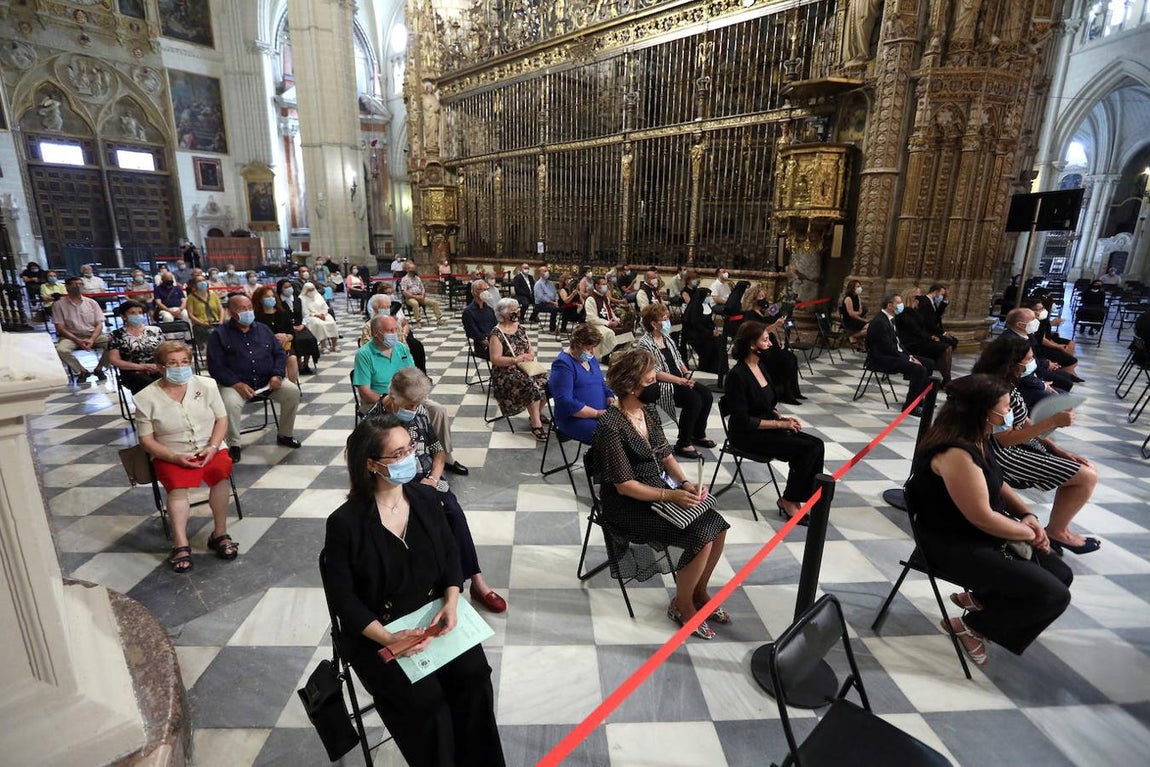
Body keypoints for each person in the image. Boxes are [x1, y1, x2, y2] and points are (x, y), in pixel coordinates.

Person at [323, 415, 505, 767]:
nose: (411, 456)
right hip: (381, 631)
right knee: (427, 703)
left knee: (474, 679)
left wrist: (452, 602)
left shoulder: (424, 498)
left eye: (411, 447)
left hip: (435, 615)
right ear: (371, 464)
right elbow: (343, 600)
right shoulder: (345, 523)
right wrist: (389, 638)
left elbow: (452, 556)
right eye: (399, 453)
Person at [904, 374, 1073, 667]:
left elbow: (997, 483)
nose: (1010, 413)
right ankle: (972, 627)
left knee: (1062, 573)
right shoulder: (956, 452)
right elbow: (982, 517)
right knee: (1053, 594)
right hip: (952, 543)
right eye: (1006, 407)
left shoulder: (977, 438)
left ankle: (984, 599)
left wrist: (1027, 515)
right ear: (985, 412)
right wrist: (1027, 533)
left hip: (975, 532)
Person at [594, 349, 730, 640]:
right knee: (701, 536)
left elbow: (666, 454)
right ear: (632, 386)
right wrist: (670, 496)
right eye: (651, 380)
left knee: (718, 527)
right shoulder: (610, 425)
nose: (657, 385)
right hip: (627, 506)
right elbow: (624, 485)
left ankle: (698, 591)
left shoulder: (647, 411)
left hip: (657, 491)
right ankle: (681, 605)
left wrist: (685, 483)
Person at [380, 369, 506, 612]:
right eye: (410, 404)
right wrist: (419, 491)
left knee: (454, 512)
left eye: (418, 403)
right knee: (435, 518)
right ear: (393, 397)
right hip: (399, 485)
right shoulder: (377, 423)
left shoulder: (420, 413)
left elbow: (438, 451)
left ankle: (477, 581)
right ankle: (448, 588)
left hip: (428, 479)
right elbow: (379, 471)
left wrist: (433, 479)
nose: (415, 408)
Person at [972, 336, 1100, 555]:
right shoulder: (995, 389)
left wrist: (1057, 449)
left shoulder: (1008, 383)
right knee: (1086, 476)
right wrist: (1053, 422)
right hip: (1002, 454)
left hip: (1018, 444)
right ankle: (1058, 531)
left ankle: (1060, 527)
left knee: (1087, 469)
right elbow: (1005, 438)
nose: (1033, 363)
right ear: (1012, 363)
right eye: (1029, 359)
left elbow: (1023, 422)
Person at [135, 340, 238, 574]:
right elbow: (146, 440)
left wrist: (213, 447)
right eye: (172, 363)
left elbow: (222, 420)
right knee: (177, 488)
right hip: (171, 452)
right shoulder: (145, 398)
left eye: (184, 362)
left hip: (209, 447)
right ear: (160, 367)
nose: (180, 367)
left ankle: (219, 533)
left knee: (219, 476)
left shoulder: (207, 385)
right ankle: (181, 543)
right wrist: (173, 457)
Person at [726, 322, 826, 523]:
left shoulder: (761, 366)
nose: (770, 343)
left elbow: (765, 403)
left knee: (817, 445)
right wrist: (781, 425)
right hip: (746, 435)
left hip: (766, 427)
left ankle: (798, 497)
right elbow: (744, 421)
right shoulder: (737, 376)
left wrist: (781, 417)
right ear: (752, 345)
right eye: (765, 340)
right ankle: (789, 500)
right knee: (805, 449)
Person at [354, 315, 469, 476]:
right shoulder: (364, 354)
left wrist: (412, 399)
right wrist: (388, 401)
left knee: (438, 410)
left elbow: (413, 375)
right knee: (408, 416)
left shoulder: (401, 348)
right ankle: (405, 459)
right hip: (380, 399)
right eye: (389, 331)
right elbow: (365, 392)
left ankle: (445, 455)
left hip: (406, 395)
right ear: (376, 333)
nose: (394, 333)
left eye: (395, 329)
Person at [207, 294, 302, 463]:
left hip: (267, 381)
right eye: (243, 309)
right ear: (231, 312)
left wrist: (277, 374)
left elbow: (279, 354)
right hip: (236, 384)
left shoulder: (263, 329)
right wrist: (236, 383)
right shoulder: (219, 335)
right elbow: (216, 366)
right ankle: (234, 444)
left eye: (250, 307)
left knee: (293, 392)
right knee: (229, 403)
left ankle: (285, 434)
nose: (249, 312)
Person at [635, 304, 715, 459]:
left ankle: (697, 434)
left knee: (706, 394)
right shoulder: (645, 343)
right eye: (664, 319)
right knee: (694, 400)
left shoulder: (667, 338)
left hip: (678, 379)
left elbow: (678, 359)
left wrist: (686, 374)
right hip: (661, 383)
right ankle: (683, 443)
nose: (668, 322)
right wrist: (679, 381)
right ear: (653, 324)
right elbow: (655, 372)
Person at [488, 298, 549, 440]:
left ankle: (536, 412)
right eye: (512, 311)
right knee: (530, 385)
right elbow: (495, 359)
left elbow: (530, 347)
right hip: (506, 371)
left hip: (525, 366)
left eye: (517, 309)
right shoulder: (496, 333)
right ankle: (536, 423)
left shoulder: (520, 327)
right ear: (503, 313)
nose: (516, 313)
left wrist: (530, 354)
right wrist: (515, 360)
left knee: (549, 382)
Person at [865, 293, 934, 415]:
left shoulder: (891, 319)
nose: (901, 305)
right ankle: (910, 407)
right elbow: (887, 348)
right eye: (898, 302)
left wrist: (910, 356)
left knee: (929, 363)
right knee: (920, 370)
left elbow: (898, 344)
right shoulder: (880, 321)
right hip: (882, 358)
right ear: (890, 305)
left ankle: (918, 399)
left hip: (893, 354)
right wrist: (908, 359)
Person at [550, 324, 614, 444]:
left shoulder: (589, 358)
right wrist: (596, 413)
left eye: (593, 348)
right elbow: (565, 402)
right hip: (574, 418)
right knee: (611, 437)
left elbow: (601, 383)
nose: (593, 352)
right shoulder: (563, 364)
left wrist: (609, 397)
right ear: (576, 346)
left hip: (600, 413)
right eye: (589, 349)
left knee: (629, 429)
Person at [742, 287, 803, 403]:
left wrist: (779, 339)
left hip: (770, 343)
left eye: (764, 296)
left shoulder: (763, 312)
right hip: (760, 346)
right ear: (753, 299)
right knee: (785, 360)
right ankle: (786, 394)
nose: (764, 299)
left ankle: (794, 391)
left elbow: (769, 328)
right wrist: (775, 325)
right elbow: (760, 331)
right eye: (761, 297)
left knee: (792, 357)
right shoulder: (749, 314)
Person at [1004, 307, 1076, 392]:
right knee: (1064, 386)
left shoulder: (1028, 334)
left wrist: (1046, 363)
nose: (1036, 320)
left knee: (1067, 378)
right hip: (1023, 383)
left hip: (1036, 372)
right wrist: (1043, 385)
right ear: (1019, 325)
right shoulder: (1011, 342)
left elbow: (1036, 355)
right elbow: (1020, 372)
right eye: (1032, 319)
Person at [52, 276, 109, 381]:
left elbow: (99, 324)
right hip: (71, 336)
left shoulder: (92, 303)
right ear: (67, 287)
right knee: (61, 350)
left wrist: (92, 339)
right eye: (75, 284)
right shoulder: (58, 305)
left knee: (115, 344)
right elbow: (60, 328)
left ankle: (100, 368)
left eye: (80, 284)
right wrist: (77, 340)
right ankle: (81, 371)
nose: (78, 286)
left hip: (93, 335)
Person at [897, 286, 954, 383]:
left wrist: (930, 336)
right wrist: (929, 337)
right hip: (911, 343)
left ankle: (946, 380)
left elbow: (922, 328)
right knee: (945, 348)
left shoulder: (914, 310)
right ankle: (947, 381)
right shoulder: (905, 312)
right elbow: (914, 329)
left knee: (947, 347)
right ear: (912, 297)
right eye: (918, 296)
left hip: (919, 340)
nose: (920, 299)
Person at [107, 300, 164, 393]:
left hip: (157, 367)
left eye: (140, 312)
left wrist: (159, 366)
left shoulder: (155, 330)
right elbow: (115, 360)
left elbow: (166, 351)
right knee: (147, 384)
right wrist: (143, 367)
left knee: (169, 379)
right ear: (123, 316)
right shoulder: (116, 335)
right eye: (133, 313)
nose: (137, 315)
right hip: (132, 370)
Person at [252, 285, 301, 384]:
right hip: (265, 348)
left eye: (272, 296)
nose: (271, 299)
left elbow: (292, 333)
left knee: (292, 358)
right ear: (260, 300)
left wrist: (287, 337)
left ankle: (292, 386)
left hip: (285, 346)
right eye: (267, 297)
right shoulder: (256, 316)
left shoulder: (283, 313)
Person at [680, 285, 726, 382]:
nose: (709, 297)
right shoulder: (695, 307)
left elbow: (709, 321)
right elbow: (695, 324)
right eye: (708, 295)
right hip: (695, 335)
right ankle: (706, 367)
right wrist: (710, 333)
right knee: (710, 344)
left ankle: (719, 367)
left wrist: (714, 330)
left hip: (705, 332)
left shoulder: (706, 305)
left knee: (720, 340)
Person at [276, 278, 321, 373]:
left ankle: (306, 364)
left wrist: (302, 325)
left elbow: (306, 314)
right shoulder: (278, 301)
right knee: (297, 341)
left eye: (290, 286)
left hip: (300, 326)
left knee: (310, 339)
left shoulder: (298, 299)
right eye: (285, 287)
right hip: (287, 328)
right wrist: (291, 327)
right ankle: (299, 365)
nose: (288, 289)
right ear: (281, 289)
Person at [1027, 298, 1079, 378]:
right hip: (1040, 348)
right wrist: (1057, 346)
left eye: (1041, 309)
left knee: (1070, 346)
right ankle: (1066, 373)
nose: (1040, 312)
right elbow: (1041, 339)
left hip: (1042, 345)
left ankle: (1065, 372)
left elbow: (1042, 334)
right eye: (1036, 310)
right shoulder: (1031, 323)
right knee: (1071, 361)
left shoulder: (1042, 320)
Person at [583, 276, 621, 360]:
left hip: (607, 322)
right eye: (603, 284)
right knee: (608, 333)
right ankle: (606, 356)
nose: (606, 286)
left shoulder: (605, 297)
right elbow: (591, 318)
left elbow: (609, 311)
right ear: (597, 286)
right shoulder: (591, 299)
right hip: (595, 325)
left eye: (606, 284)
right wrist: (607, 323)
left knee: (627, 331)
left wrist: (616, 319)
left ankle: (618, 355)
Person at [462, 280, 498, 360]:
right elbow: (473, 332)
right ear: (475, 292)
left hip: (494, 341)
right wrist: (492, 344)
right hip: (483, 346)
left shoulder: (489, 309)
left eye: (487, 289)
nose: (486, 292)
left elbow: (496, 327)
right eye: (483, 290)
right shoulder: (468, 312)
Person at [916, 283, 959, 349]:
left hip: (933, 329)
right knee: (951, 342)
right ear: (936, 292)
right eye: (942, 294)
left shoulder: (932, 302)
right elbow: (928, 322)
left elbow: (937, 316)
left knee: (954, 340)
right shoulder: (925, 302)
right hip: (927, 331)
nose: (942, 297)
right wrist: (943, 333)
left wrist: (945, 299)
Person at [186, 276, 224, 348]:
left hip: (216, 322)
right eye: (199, 281)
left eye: (203, 280)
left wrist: (221, 321)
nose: (202, 282)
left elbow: (221, 309)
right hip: (201, 324)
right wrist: (202, 323)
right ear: (194, 284)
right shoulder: (191, 297)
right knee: (211, 333)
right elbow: (190, 315)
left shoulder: (213, 295)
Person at [300, 282, 339, 352]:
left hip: (323, 314)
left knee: (332, 322)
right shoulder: (302, 298)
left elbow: (325, 307)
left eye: (312, 289)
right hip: (312, 316)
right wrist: (316, 315)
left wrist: (323, 314)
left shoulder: (318, 295)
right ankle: (323, 346)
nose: (311, 291)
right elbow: (305, 311)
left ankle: (335, 344)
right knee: (319, 324)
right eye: (309, 290)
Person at [840, 279, 868, 350]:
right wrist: (862, 319)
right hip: (849, 320)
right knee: (868, 326)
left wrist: (858, 313)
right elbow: (851, 314)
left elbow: (860, 311)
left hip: (857, 319)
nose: (859, 288)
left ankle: (859, 339)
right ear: (852, 288)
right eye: (857, 286)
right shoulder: (848, 298)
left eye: (860, 286)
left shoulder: (857, 297)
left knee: (870, 327)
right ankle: (853, 336)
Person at [532, 265, 560, 332]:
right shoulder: (538, 284)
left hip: (552, 302)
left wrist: (557, 300)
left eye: (547, 271)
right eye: (545, 271)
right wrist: (553, 302)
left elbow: (555, 293)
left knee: (563, 307)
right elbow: (541, 297)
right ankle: (552, 329)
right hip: (541, 304)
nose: (547, 272)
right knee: (554, 309)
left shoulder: (550, 283)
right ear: (540, 273)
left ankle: (563, 327)